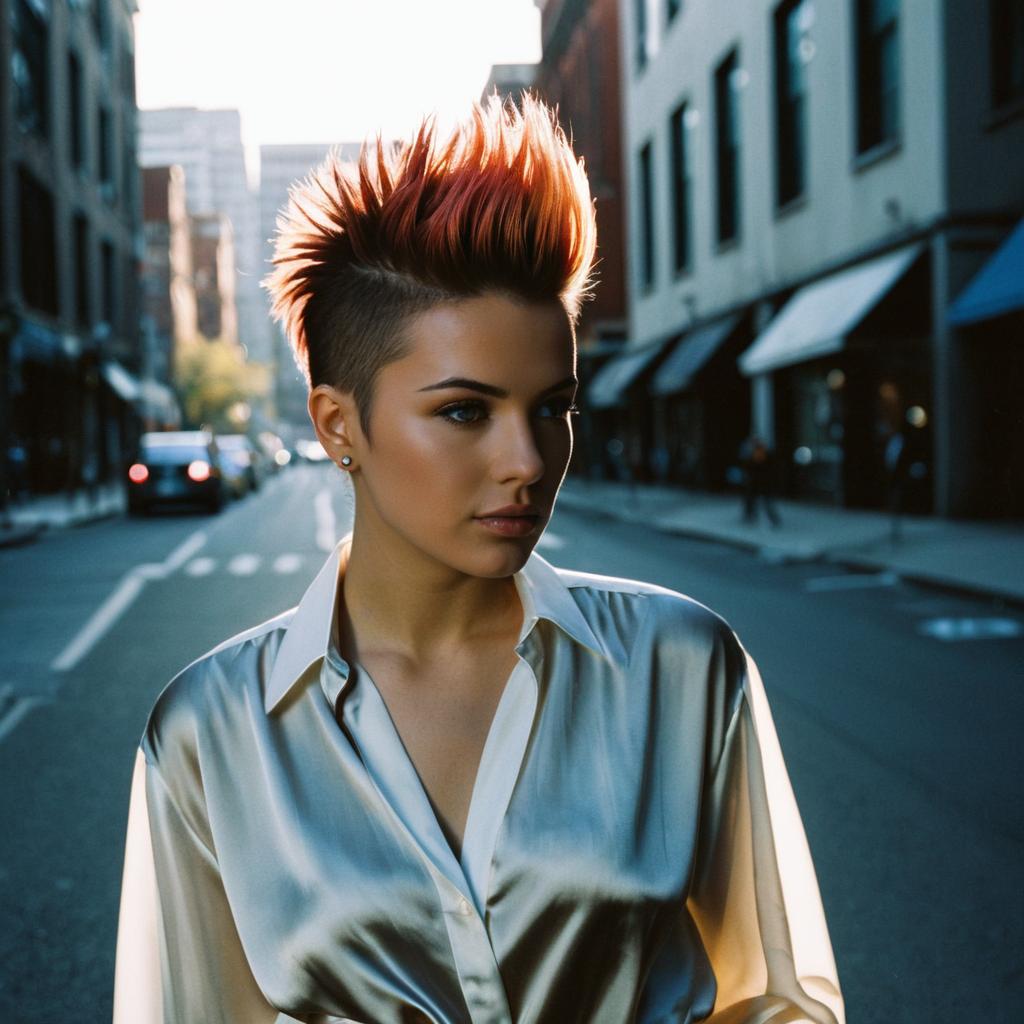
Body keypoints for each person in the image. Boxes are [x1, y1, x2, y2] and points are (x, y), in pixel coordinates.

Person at [112, 95, 844, 1024]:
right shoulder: (207, 732)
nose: (530, 462)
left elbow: (778, 1002)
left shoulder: (684, 665)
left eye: (553, 406)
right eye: (465, 410)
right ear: (339, 424)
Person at [741, 436, 782, 527]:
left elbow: (772, 469)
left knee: (767, 502)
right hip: (756, 483)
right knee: (752, 500)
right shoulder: (752, 456)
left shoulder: (765, 455)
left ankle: (772, 518)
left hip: (763, 483)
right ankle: (750, 516)